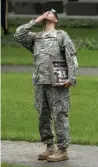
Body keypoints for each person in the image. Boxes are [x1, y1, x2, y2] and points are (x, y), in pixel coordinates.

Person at [14, 9, 78, 162]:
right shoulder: (36, 38)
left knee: (60, 115)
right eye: (45, 12)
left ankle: (62, 150)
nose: (47, 13)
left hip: (58, 83)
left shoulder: (61, 35)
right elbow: (19, 34)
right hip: (40, 83)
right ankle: (50, 146)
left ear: (55, 20)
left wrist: (71, 78)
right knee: (43, 116)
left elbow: (71, 56)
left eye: (50, 12)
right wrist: (35, 21)